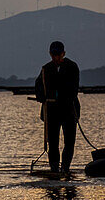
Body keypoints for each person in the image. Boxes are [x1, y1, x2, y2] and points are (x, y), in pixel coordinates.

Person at [34, 40, 80, 173]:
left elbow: (73, 89)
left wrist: (59, 96)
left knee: (69, 143)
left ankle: (65, 168)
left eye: (58, 55)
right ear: (50, 54)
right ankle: (54, 169)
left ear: (63, 54)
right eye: (53, 55)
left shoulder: (72, 67)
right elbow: (38, 86)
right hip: (51, 112)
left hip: (69, 111)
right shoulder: (45, 69)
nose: (55, 58)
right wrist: (42, 97)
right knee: (53, 143)